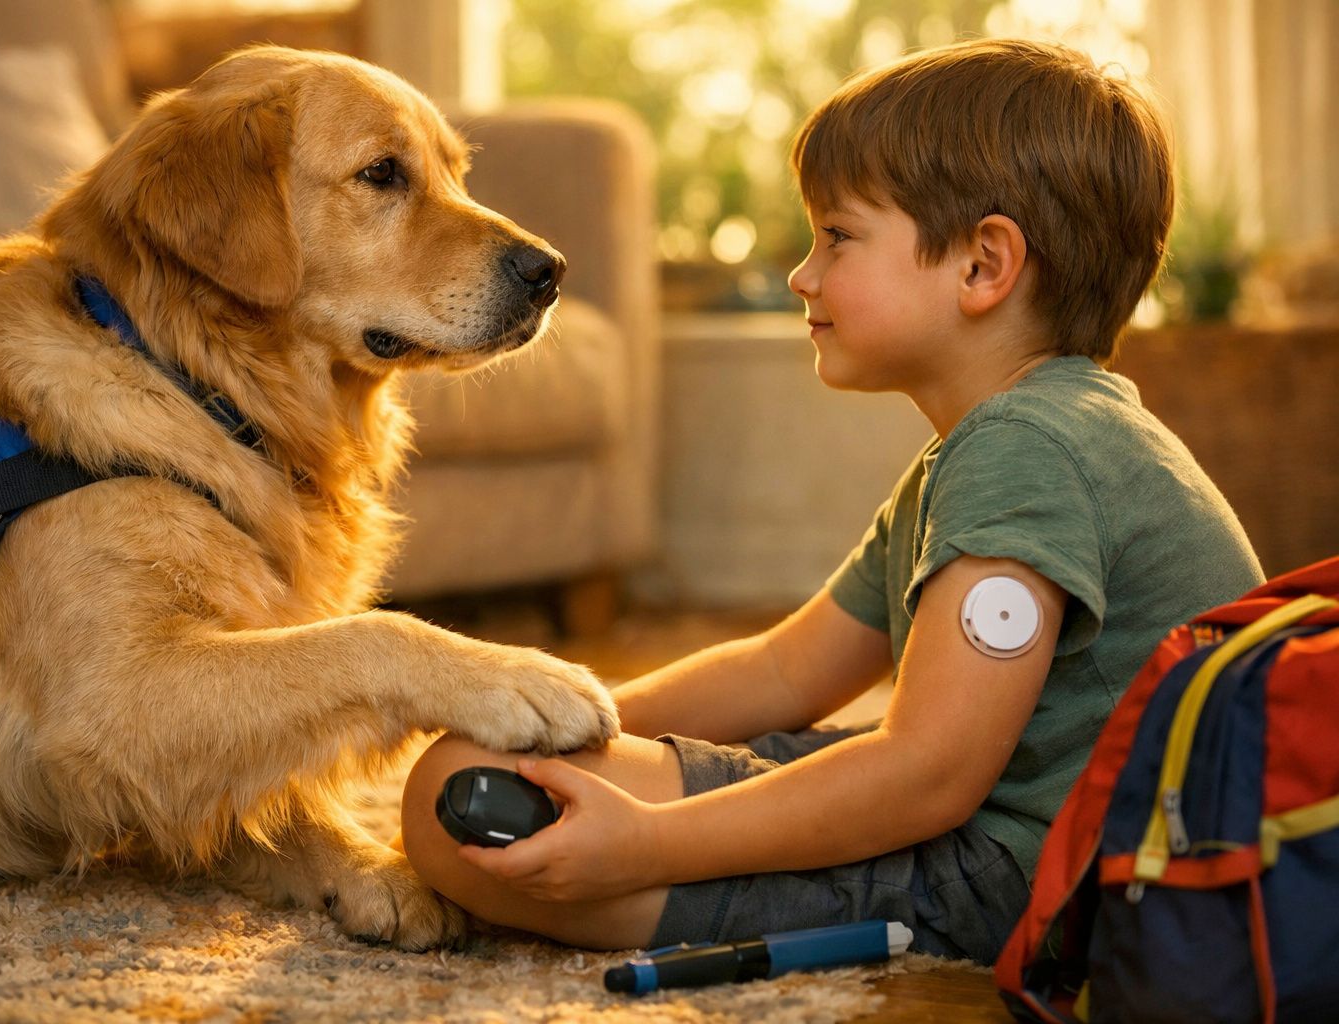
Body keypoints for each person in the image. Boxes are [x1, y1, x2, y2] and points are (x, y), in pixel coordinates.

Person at [396, 38, 1264, 964]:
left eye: (837, 237)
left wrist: (645, 843)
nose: (802, 275)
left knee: (455, 801)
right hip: (991, 834)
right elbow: (783, 672)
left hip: (1032, 886)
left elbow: (924, 776)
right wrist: (569, 722)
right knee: (481, 768)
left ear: (983, 266)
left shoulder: (1028, 454)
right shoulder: (1005, 445)